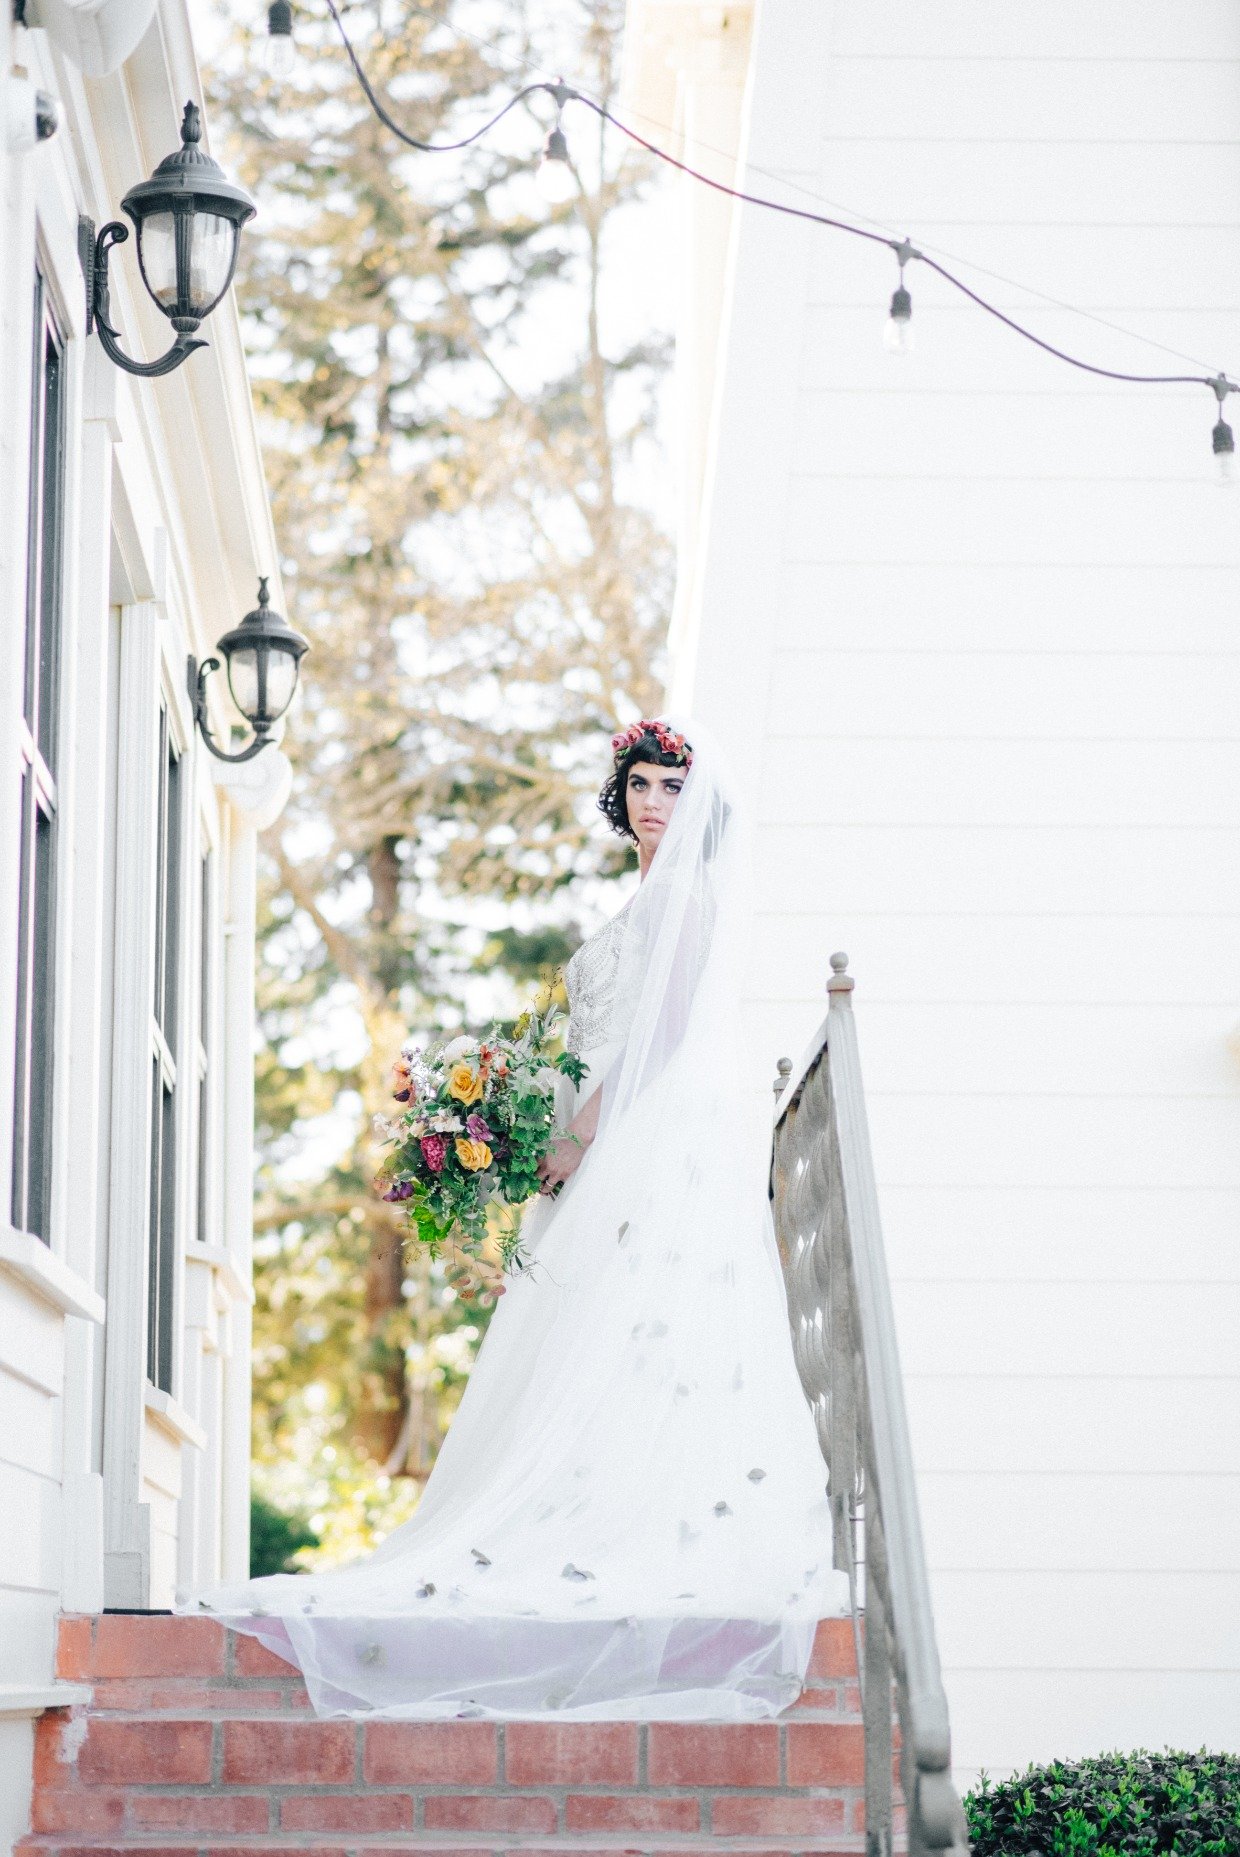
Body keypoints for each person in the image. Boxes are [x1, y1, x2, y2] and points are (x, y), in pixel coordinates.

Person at [175, 715, 846, 1719]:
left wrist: (578, 1138)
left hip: (647, 1141)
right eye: (640, 785)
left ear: (694, 807)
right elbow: (593, 1035)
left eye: (670, 787)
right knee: (586, 1337)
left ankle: (628, 1530)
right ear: (618, 798)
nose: (653, 802)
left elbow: (659, 1044)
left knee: (635, 1329)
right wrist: (515, 1103)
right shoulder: (642, 904)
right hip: (602, 1130)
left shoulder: (686, 906)